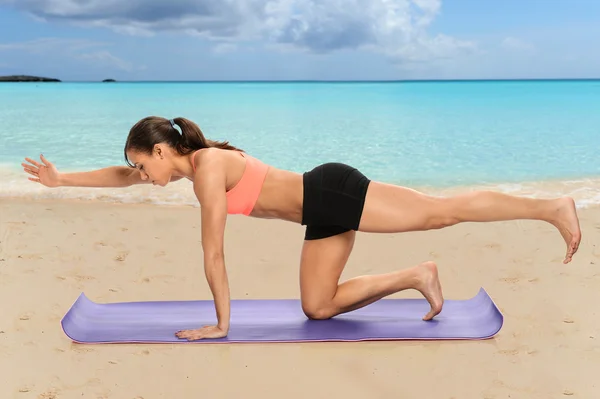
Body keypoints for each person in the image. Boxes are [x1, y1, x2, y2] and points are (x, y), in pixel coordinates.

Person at [21, 116, 582, 341]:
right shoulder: (191, 165)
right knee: (318, 307)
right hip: (321, 216)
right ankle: (419, 274)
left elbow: (213, 253)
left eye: (146, 163)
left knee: (441, 210)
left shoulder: (209, 170)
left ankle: (551, 208)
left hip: (333, 190)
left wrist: (222, 324)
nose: (142, 174)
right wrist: (60, 178)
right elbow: (121, 176)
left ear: (164, 150)